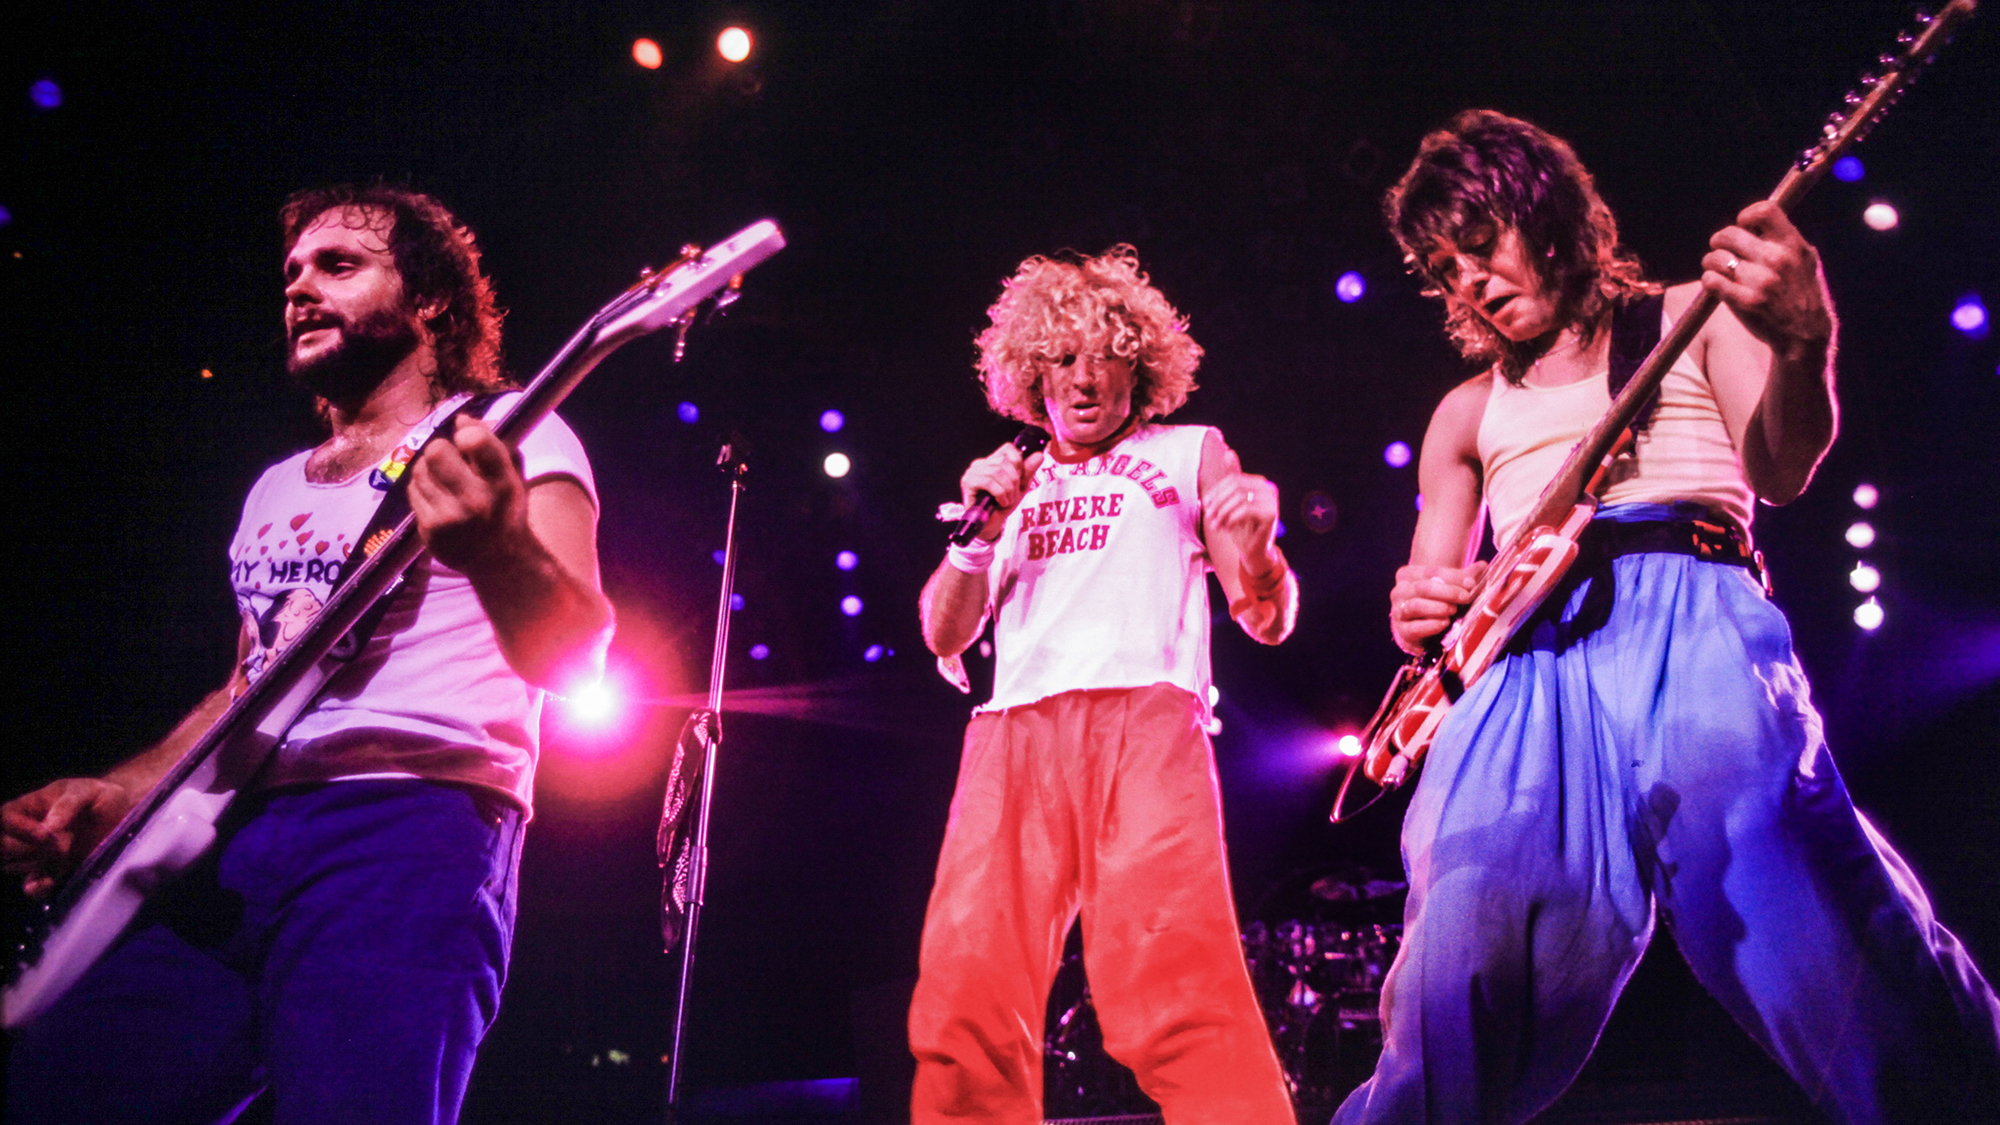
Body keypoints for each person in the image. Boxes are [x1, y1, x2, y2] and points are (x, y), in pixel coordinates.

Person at [1337, 110, 2000, 1124]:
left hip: (1687, 610)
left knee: (1783, 884)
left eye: (1478, 246)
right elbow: (1430, 604)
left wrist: (1803, 339)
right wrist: (1416, 601)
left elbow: (1780, 470)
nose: (1465, 280)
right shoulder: (1463, 412)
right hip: (1520, 667)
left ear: (1542, 213)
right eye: (1442, 268)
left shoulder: (1691, 314)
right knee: (1460, 949)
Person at [2, 184, 615, 1125]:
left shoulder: (508, 430)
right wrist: (121, 794)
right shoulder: (272, 486)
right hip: (233, 836)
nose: (299, 288)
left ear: (430, 301)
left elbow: (577, 658)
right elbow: (247, 689)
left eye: (338, 265)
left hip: (411, 824)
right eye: (291, 273)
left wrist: (498, 549)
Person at [909, 244, 1299, 1125]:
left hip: (1146, 720)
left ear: (1141, 362)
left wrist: (1262, 547)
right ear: (1029, 371)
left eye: (1103, 354)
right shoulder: (1008, 480)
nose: (1082, 379)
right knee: (967, 985)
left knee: (1174, 983)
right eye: (1061, 357)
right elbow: (943, 631)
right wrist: (973, 534)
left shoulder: (1190, 450)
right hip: (1011, 736)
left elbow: (1265, 617)